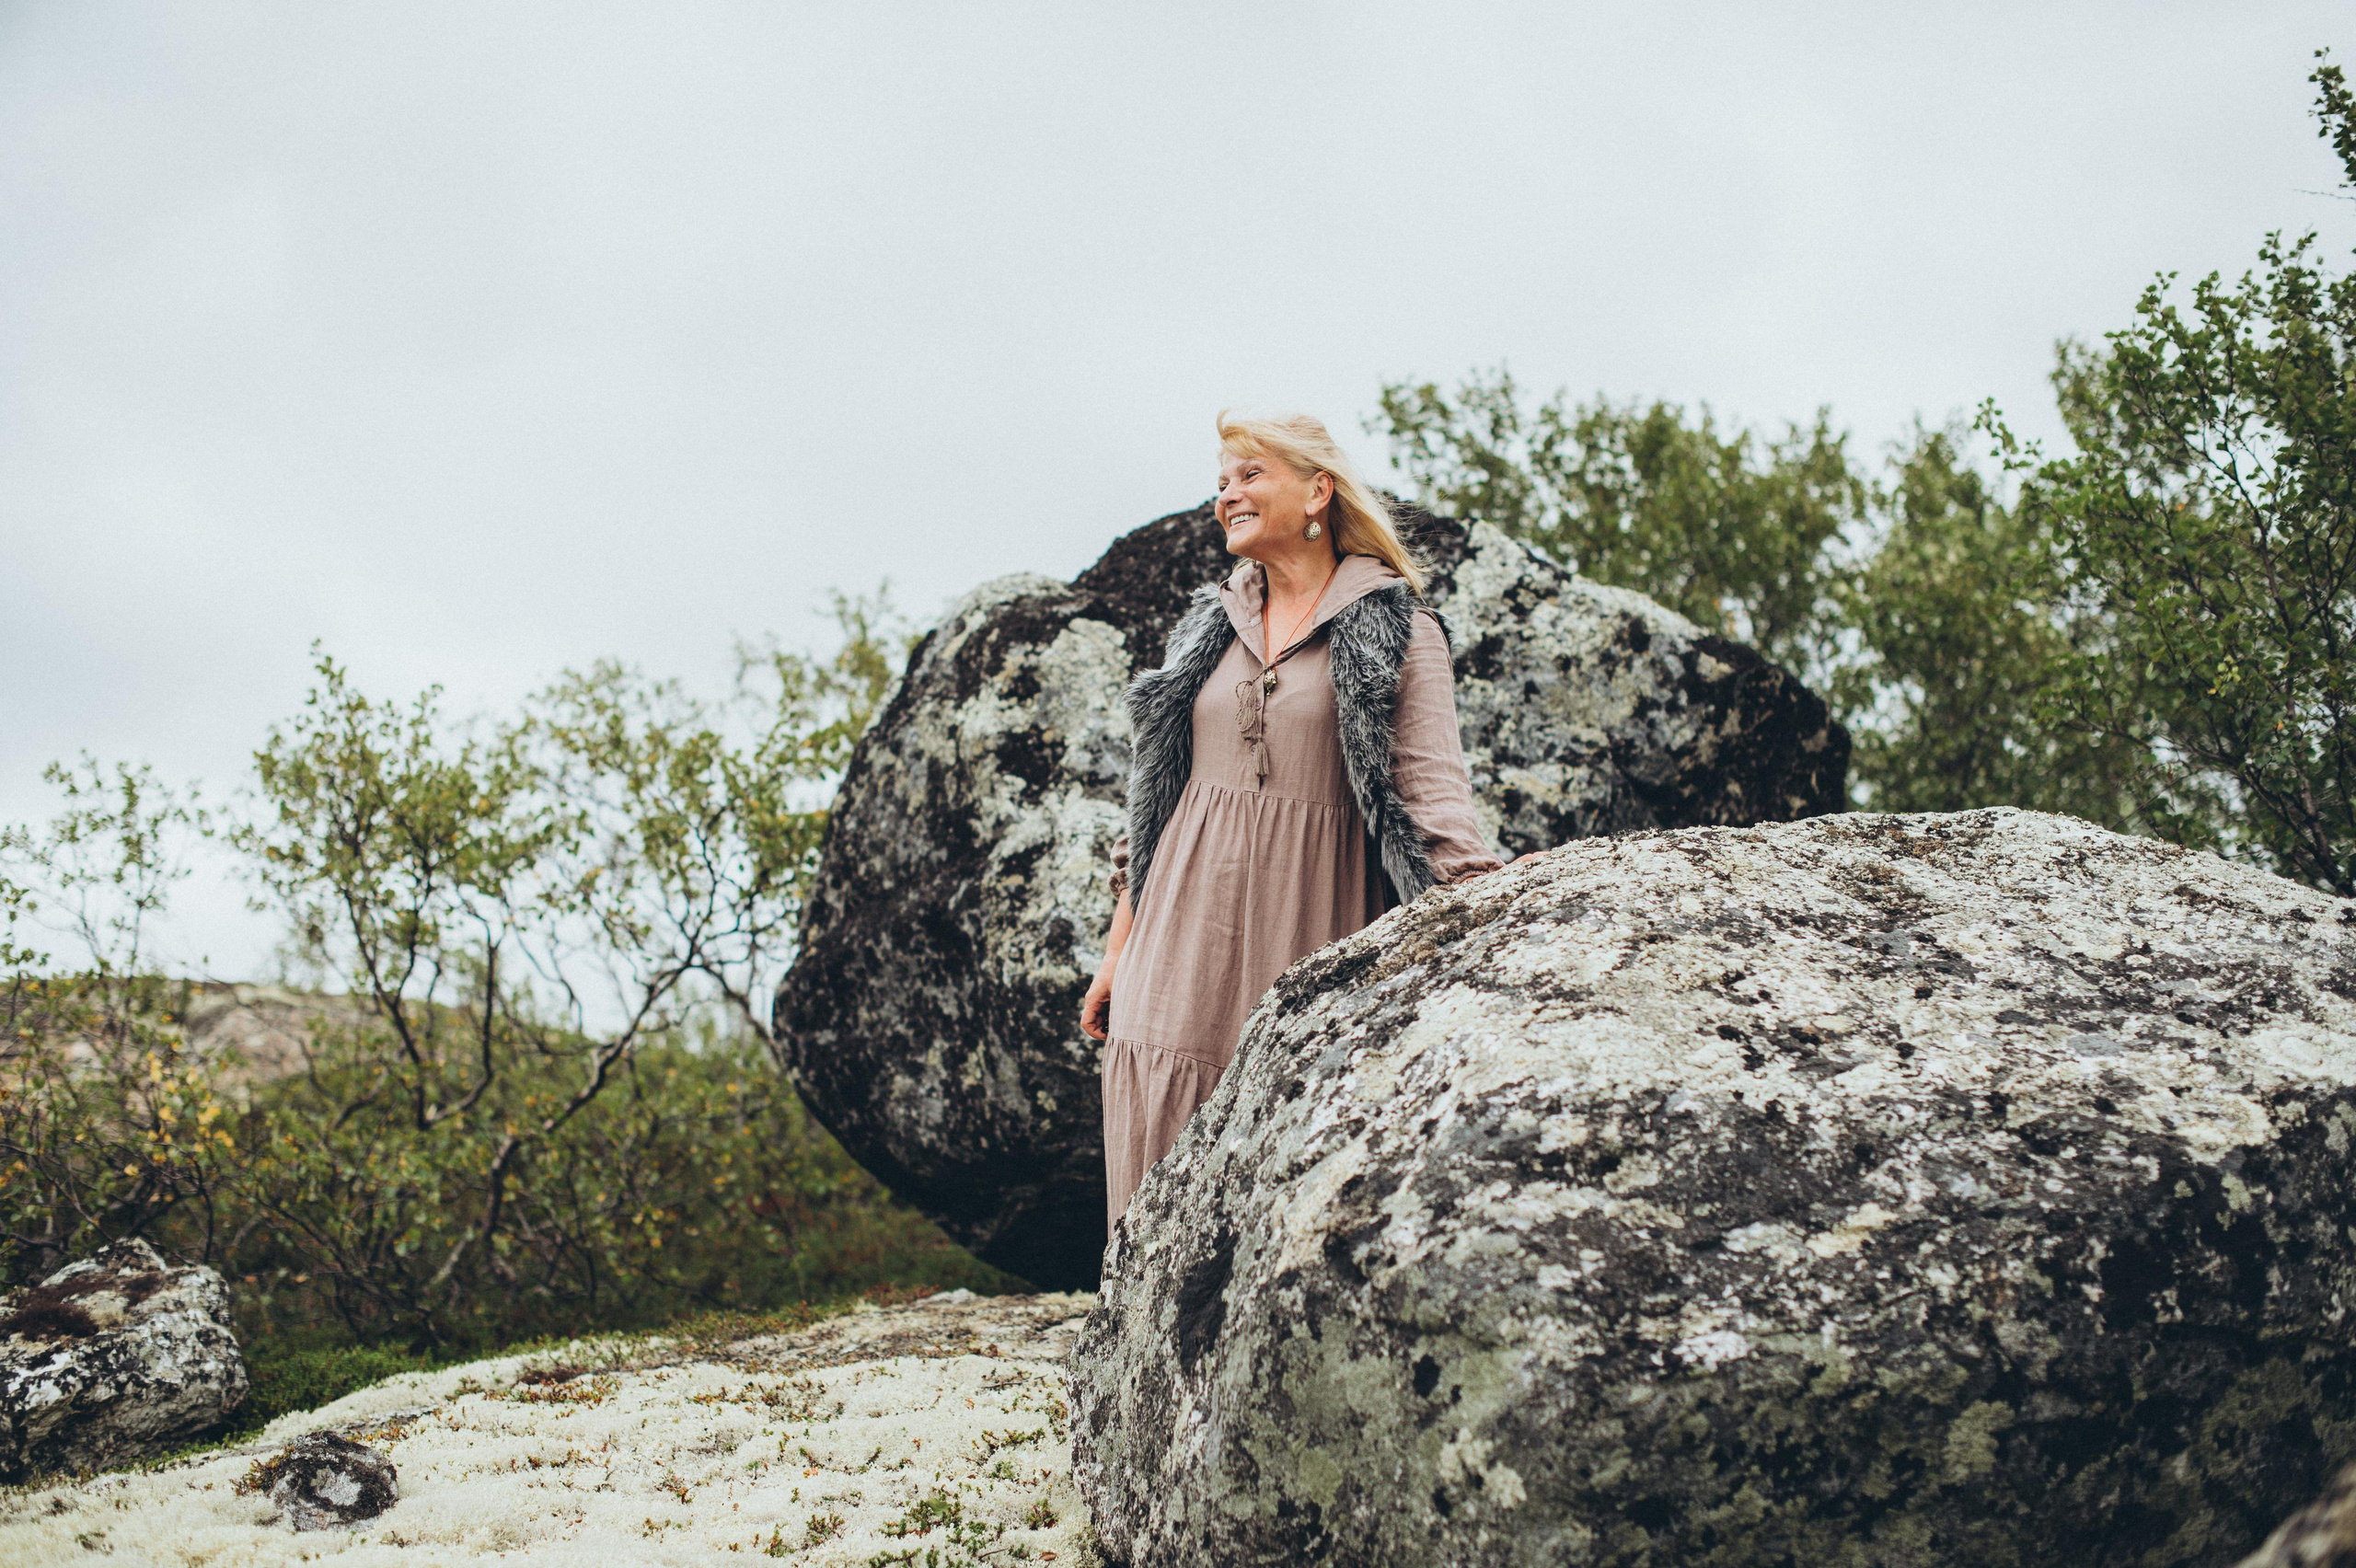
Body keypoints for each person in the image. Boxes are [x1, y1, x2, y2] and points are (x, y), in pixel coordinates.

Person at [1079, 411, 1501, 1228]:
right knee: (1156, 1182)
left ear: (1317, 490)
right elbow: (1155, 802)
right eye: (1221, 481)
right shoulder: (1208, 628)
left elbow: (1433, 799)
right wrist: (1116, 953)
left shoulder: (1399, 629)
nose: (1227, 495)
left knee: (1279, 1188)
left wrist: (1488, 901)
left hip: (1309, 933)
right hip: (1177, 949)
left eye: (1249, 475)